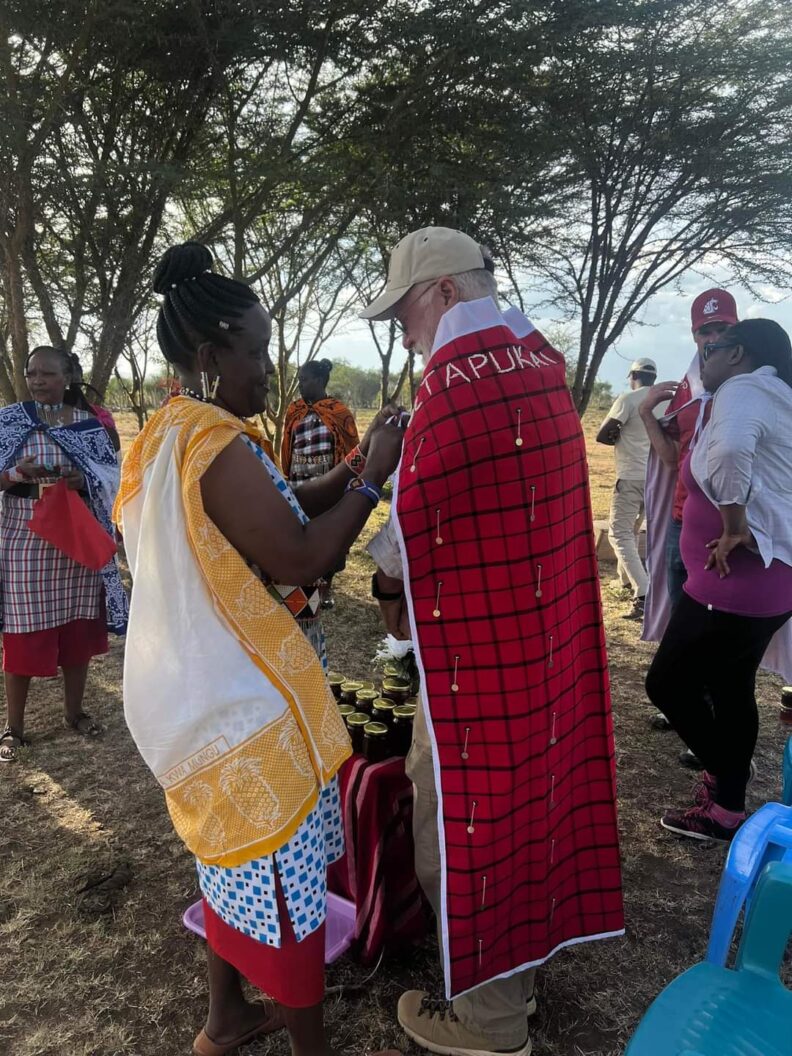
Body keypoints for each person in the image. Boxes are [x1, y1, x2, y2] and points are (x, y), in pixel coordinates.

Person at [115, 241, 403, 1056]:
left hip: (198, 694)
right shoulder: (214, 440)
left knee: (227, 864)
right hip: (245, 702)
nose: (269, 371)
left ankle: (226, 1019)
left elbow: (283, 503)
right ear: (209, 354)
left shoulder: (167, 434)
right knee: (285, 895)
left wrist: (354, 460)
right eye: (256, 352)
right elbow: (303, 555)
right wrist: (377, 478)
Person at [361, 227, 624, 1056]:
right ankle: (526, 966)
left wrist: (387, 580)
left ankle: (489, 1019)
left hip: (476, 654)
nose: (403, 331)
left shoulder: (454, 385)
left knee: (461, 821)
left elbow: (411, 515)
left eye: (404, 311)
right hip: (539, 638)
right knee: (536, 801)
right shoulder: (540, 362)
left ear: (440, 292)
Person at [646, 318, 792, 842]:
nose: (703, 354)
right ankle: (727, 802)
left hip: (731, 585)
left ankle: (727, 779)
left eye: (713, 347)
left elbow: (730, 454)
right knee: (731, 686)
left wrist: (734, 525)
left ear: (738, 354)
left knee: (666, 683)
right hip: (762, 586)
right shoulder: (775, 395)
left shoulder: (746, 388)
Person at [0, 346, 128, 763]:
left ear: (68, 376)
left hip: (75, 544)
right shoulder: (9, 421)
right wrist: (19, 474)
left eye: (47, 374)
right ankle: (13, 728)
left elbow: (113, 480)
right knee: (22, 632)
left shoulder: (89, 425)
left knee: (77, 630)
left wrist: (82, 481)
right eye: (31, 373)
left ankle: (75, 712)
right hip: (23, 541)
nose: (38, 381)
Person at [281, 360, 359, 609]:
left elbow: (351, 449)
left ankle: (326, 587)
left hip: (329, 486)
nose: (300, 384)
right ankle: (304, 585)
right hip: (298, 484)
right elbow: (286, 444)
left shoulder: (339, 412)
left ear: (318, 380)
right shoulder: (294, 410)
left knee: (329, 535)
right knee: (300, 533)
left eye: (304, 379)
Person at [596, 357, 661, 620]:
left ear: (633, 375)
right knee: (636, 531)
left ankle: (644, 595)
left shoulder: (628, 399)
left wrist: (619, 435)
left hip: (630, 476)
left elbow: (603, 434)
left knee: (618, 535)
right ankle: (626, 581)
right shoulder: (663, 401)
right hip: (656, 477)